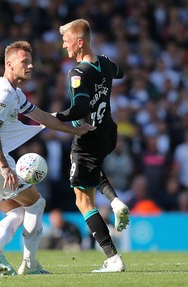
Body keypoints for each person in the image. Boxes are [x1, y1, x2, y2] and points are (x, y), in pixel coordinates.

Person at [0, 41, 95, 276]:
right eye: (24, 62)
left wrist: (74, 130)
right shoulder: (4, 92)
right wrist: (4, 167)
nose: (30, 66)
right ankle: (30, 264)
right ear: (9, 64)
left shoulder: (15, 93)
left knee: (17, 212)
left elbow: (43, 118)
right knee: (37, 204)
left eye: (31, 61)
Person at [54, 19, 130, 272]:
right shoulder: (105, 63)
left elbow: (81, 108)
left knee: (83, 201)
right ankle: (116, 202)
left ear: (79, 41)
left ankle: (112, 258)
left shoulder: (78, 73)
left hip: (88, 137)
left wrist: (56, 117)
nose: (64, 45)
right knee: (93, 170)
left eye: (66, 41)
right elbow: (121, 72)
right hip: (109, 132)